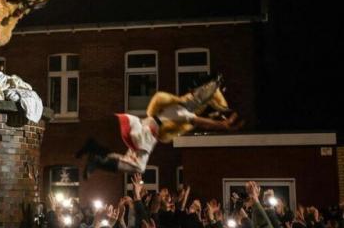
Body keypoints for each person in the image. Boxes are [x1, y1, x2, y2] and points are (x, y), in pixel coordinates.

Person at [76, 74, 243, 178]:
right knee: (139, 167)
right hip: (147, 133)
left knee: (128, 161)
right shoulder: (183, 111)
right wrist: (223, 124)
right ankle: (97, 161)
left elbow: (200, 108)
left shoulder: (179, 107)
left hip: (145, 128)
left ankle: (96, 150)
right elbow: (202, 121)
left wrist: (214, 90)